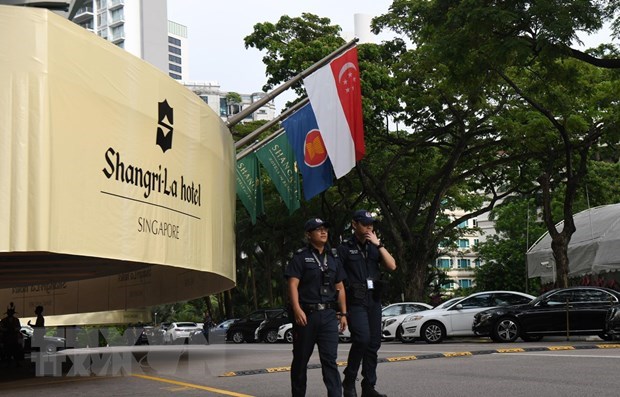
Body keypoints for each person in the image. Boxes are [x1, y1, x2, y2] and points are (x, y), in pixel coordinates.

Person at [285, 217, 348, 397]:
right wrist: (296, 309)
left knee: (330, 360)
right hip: (306, 315)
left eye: (325, 229)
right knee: (300, 360)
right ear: (308, 234)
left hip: (328, 315)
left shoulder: (333, 258)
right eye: (318, 229)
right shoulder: (300, 257)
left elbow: (340, 287)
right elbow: (292, 285)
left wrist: (343, 313)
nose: (323, 232)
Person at [338, 210, 397, 397]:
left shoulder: (374, 247)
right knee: (362, 339)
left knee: (373, 343)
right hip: (355, 300)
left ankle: (368, 386)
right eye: (365, 224)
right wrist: (342, 311)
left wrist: (379, 245)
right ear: (354, 224)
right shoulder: (344, 248)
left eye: (371, 224)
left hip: (373, 300)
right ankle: (349, 379)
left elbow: (392, 265)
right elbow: (337, 280)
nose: (369, 227)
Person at [0, 302, 22, 367]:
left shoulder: (16, 320)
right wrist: (7, 330)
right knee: (8, 351)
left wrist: (14, 329)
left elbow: (19, 327)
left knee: (15, 351)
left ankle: (16, 362)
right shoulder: (3, 320)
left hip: (13, 338)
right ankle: (9, 363)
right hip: (7, 338)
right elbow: (1, 328)